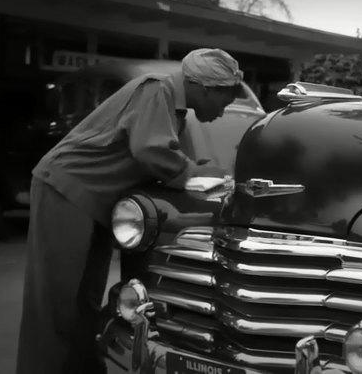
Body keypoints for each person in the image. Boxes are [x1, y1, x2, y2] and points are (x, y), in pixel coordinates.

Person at [16, 48, 244, 374]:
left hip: (94, 200)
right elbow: (150, 151)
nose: (224, 111)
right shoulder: (156, 89)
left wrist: (180, 210)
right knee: (55, 305)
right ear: (207, 87)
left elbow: (153, 174)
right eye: (225, 100)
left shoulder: (174, 112)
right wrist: (194, 176)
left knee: (86, 302)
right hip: (65, 188)